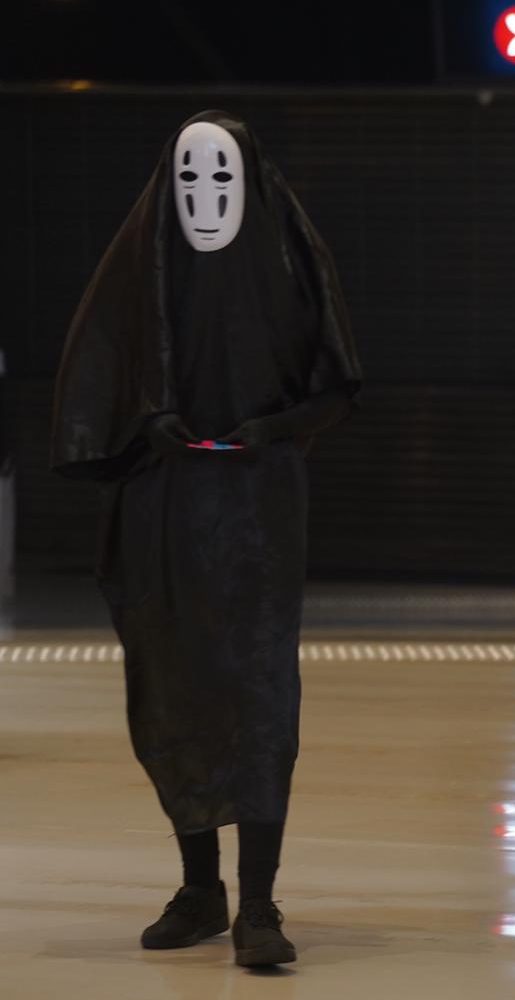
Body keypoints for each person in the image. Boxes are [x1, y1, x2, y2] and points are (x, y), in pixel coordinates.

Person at [50, 110, 362, 968]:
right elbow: (101, 377)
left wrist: (277, 429)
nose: (205, 193)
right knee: (174, 683)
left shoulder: (289, 261)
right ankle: (200, 889)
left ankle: (258, 900)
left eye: (221, 175)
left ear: (251, 180)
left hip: (258, 508)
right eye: (190, 176)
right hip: (165, 506)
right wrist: (148, 421)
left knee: (259, 693)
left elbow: (337, 383)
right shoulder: (138, 269)